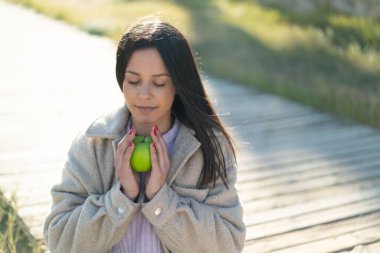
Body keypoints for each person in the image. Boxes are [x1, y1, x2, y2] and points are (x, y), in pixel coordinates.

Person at [43, 16, 246, 253]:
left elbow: (229, 245)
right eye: (134, 81)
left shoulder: (208, 149)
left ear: (178, 85)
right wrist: (122, 198)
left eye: (159, 83)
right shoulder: (93, 144)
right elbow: (59, 241)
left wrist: (161, 199)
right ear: (122, 81)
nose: (144, 94)